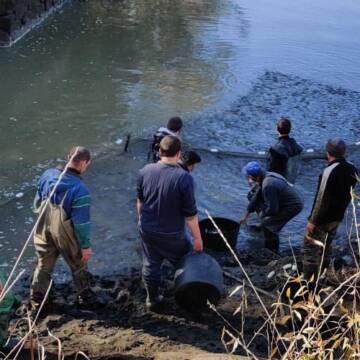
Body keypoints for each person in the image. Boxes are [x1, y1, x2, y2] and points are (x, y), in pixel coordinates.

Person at [137, 136, 203, 311]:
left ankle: (152, 300)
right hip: (172, 232)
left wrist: (141, 221)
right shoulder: (184, 178)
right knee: (187, 260)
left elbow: (140, 202)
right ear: (179, 154)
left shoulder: (144, 171)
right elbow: (190, 215)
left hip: (147, 229)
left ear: (159, 151)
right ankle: (188, 296)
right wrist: (198, 239)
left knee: (150, 263)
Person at [30, 146, 94, 314]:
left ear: (68, 157)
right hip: (65, 232)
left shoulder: (47, 175)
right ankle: (85, 298)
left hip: (43, 227)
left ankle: (38, 301)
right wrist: (85, 247)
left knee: (44, 264)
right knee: (78, 263)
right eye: (87, 164)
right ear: (84, 163)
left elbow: (36, 204)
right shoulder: (81, 190)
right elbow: (81, 225)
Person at [303, 138, 358, 281]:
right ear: (344, 152)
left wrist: (312, 221)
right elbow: (351, 191)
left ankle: (308, 282)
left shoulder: (328, 171)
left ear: (328, 153)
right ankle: (322, 275)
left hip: (322, 218)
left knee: (310, 249)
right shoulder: (352, 168)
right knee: (326, 247)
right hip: (337, 216)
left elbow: (321, 198)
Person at [240, 161, 303, 253]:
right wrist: (246, 215)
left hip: (292, 206)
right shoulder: (267, 175)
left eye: (249, 177)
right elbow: (256, 197)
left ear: (255, 177)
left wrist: (262, 215)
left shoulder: (268, 185)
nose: (248, 179)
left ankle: (272, 252)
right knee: (252, 195)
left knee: (269, 226)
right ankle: (264, 226)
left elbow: (273, 209)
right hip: (284, 200)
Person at [267, 117, 303, 183]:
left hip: (279, 182)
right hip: (292, 180)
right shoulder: (296, 147)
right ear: (290, 129)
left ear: (277, 129)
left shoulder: (275, 149)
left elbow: (271, 170)